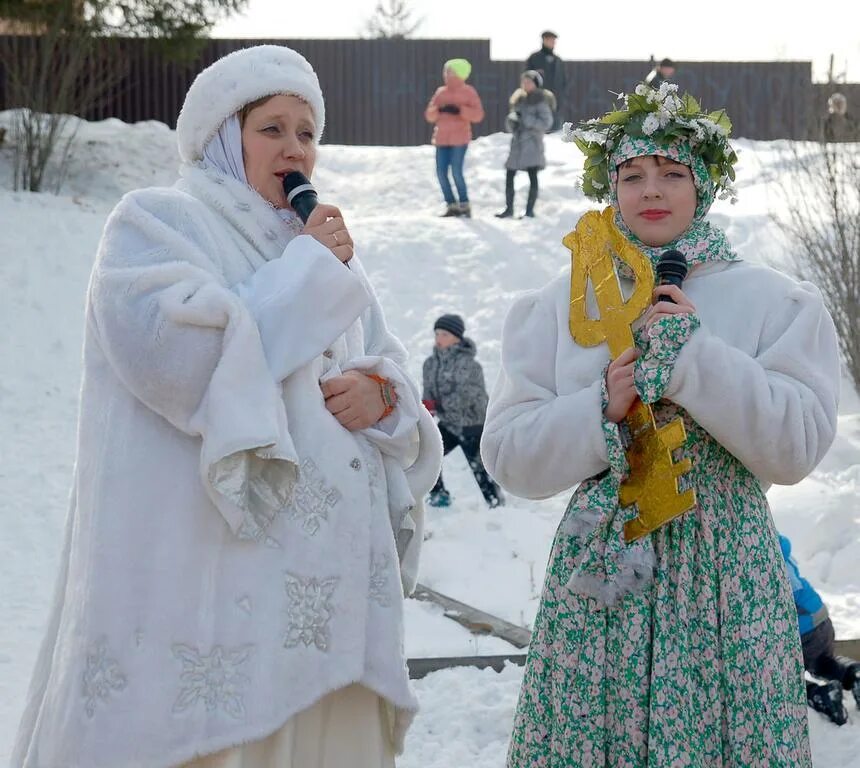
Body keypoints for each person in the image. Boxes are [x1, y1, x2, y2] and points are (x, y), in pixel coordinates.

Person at [12, 45, 443, 768]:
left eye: (307, 133)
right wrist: (308, 270)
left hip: (328, 616)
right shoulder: (158, 222)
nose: (295, 149)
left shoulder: (327, 252)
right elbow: (177, 362)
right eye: (271, 128)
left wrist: (384, 398)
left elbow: (382, 360)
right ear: (221, 135)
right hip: (211, 593)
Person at [481, 82, 840, 765]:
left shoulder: (773, 301)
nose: (653, 189)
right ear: (609, 187)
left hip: (726, 578)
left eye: (673, 173)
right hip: (603, 581)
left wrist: (694, 361)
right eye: (633, 174)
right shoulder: (558, 306)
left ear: (702, 186)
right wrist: (599, 411)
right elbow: (508, 455)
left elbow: (795, 447)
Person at [422, 314, 504, 509]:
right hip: (449, 424)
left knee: (480, 469)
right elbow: (428, 391)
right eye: (437, 334)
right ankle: (439, 495)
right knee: (428, 454)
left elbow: (474, 397)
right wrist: (427, 407)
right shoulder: (430, 364)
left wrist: (440, 403)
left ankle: (495, 503)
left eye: (444, 334)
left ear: (457, 337)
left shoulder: (470, 365)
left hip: (471, 425)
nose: (438, 339)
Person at [779, 533, 860, 726]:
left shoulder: (759, 558)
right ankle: (851, 674)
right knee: (822, 662)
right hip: (821, 619)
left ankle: (819, 694)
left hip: (800, 631)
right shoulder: (782, 549)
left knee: (782, 678)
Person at [424, 58, 485, 218]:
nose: (446, 74)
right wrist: (438, 109)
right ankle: (451, 204)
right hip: (442, 139)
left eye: (449, 71)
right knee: (441, 172)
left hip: (460, 139)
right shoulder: (441, 92)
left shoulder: (468, 92)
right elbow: (429, 115)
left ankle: (464, 204)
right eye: (445, 71)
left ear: (458, 73)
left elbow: (478, 115)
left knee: (457, 171)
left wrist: (460, 110)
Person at [496, 70, 554, 219]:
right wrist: (512, 122)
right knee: (510, 174)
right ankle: (509, 209)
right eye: (524, 81)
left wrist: (526, 119)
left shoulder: (541, 100)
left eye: (529, 81)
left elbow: (546, 123)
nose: (525, 84)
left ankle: (529, 210)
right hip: (517, 144)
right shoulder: (519, 100)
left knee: (532, 175)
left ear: (536, 83)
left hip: (532, 145)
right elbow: (512, 121)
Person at [526, 31, 566, 131]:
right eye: (550, 40)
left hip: (556, 105)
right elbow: (527, 79)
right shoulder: (534, 58)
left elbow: (563, 81)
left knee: (555, 135)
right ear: (544, 40)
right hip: (538, 104)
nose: (553, 42)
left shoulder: (558, 61)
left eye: (554, 40)